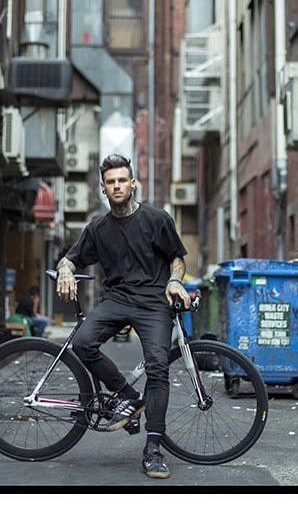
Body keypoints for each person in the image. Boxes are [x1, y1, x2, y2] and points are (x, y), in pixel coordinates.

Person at [55, 154, 191, 479]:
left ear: (133, 183)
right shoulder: (98, 229)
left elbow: (178, 259)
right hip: (116, 300)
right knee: (83, 343)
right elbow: (69, 259)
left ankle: (153, 450)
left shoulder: (157, 219)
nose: (117, 186)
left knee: (158, 368)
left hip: (154, 303)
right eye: (111, 182)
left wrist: (174, 281)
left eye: (122, 180)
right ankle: (128, 397)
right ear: (103, 188)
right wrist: (64, 272)